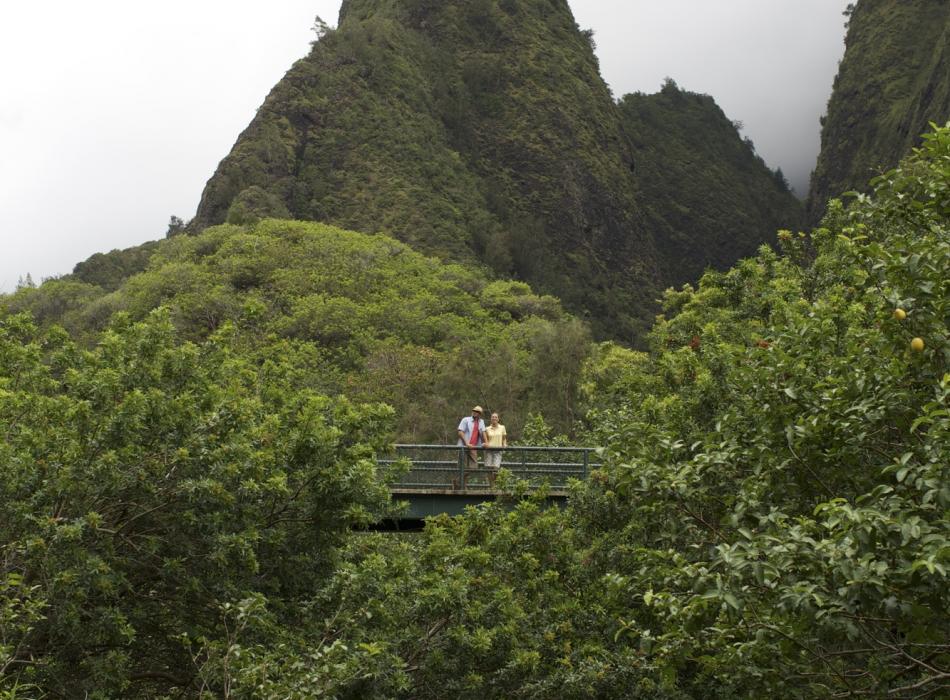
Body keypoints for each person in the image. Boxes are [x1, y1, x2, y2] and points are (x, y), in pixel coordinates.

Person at [457, 405, 486, 487]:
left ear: (480, 414)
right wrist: (466, 443)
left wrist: (485, 442)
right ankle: (463, 486)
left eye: (477, 411)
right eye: (474, 410)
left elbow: (483, 432)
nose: (475, 412)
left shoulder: (481, 422)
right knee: (463, 466)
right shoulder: (466, 420)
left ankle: (458, 481)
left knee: (474, 467)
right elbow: (460, 432)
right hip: (464, 446)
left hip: (474, 447)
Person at [483, 412, 507, 488]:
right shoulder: (487, 429)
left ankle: (495, 484)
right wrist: (484, 444)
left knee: (496, 468)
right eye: (492, 417)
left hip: (498, 450)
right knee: (489, 468)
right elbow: (485, 440)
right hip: (489, 450)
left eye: (495, 417)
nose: (494, 418)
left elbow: (504, 438)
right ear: (490, 419)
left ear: (498, 419)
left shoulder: (502, 427)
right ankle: (491, 486)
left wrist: (504, 444)